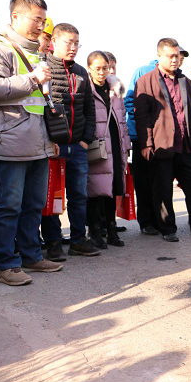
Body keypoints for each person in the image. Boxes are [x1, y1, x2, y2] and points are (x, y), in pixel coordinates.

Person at [0, 0, 63, 286]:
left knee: (33, 205)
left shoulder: (37, 53)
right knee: (8, 207)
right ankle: (6, 263)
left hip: (38, 142)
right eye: (36, 19)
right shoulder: (0, 48)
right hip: (9, 143)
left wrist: (51, 138)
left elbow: (40, 102)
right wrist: (33, 79)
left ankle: (31, 256)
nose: (41, 26)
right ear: (15, 17)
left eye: (43, 20)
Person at [134, 37, 191, 242]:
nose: (175, 60)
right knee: (163, 190)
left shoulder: (185, 82)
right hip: (162, 146)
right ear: (159, 56)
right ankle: (167, 229)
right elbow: (142, 116)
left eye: (177, 56)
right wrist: (146, 143)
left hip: (187, 145)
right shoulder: (145, 81)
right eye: (170, 56)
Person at [42, 22, 99, 260]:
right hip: (52, 146)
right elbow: (40, 109)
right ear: (54, 42)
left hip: (78, 146)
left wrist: (86, 139)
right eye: (69, 42)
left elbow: (89, 109)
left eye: (77, 43)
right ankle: (53, 242)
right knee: (51, 196)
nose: (73, 47)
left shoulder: (81, 72)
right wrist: (47, 141)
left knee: (79, 196)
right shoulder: (43, 68)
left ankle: (78, 240)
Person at [86, 51, 131, 248]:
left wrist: (126, 144)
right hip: (96, 145)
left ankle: (112, 231)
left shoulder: (115, 90)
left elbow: (122, 121)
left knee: (113, 189)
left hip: (115, 144)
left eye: (105, 68)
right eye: (97, 68)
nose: (102, 72)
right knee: (94, 190)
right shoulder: (86, 89)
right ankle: (94, 232)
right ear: (89, 69)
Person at [124, 58, 159, 235]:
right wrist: (144, 124)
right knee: (144, 182)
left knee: (160, 181)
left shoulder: (176, 77)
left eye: (180, 57)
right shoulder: (143, 71)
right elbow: (130, 101)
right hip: (142, 138)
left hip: (164, 140)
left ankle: (161, 220)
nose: (177, 60)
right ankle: (146, 222)